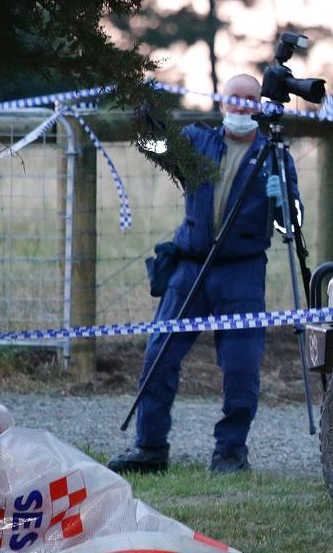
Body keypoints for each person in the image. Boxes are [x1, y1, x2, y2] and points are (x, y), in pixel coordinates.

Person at [108, 73, 302, 475]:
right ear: (221, 103)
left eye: (251, 99)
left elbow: (293, 225)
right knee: (159, 355)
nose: (242, 106)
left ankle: (230, 452)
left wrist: (283, 204)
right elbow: (154, 148)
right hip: (190, 266)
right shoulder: (198, 141)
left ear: (261, 106)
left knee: (241, 366)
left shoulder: (275, 157)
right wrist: (149, 117)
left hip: (243, 273)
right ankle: (149, 447)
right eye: (235, 98)